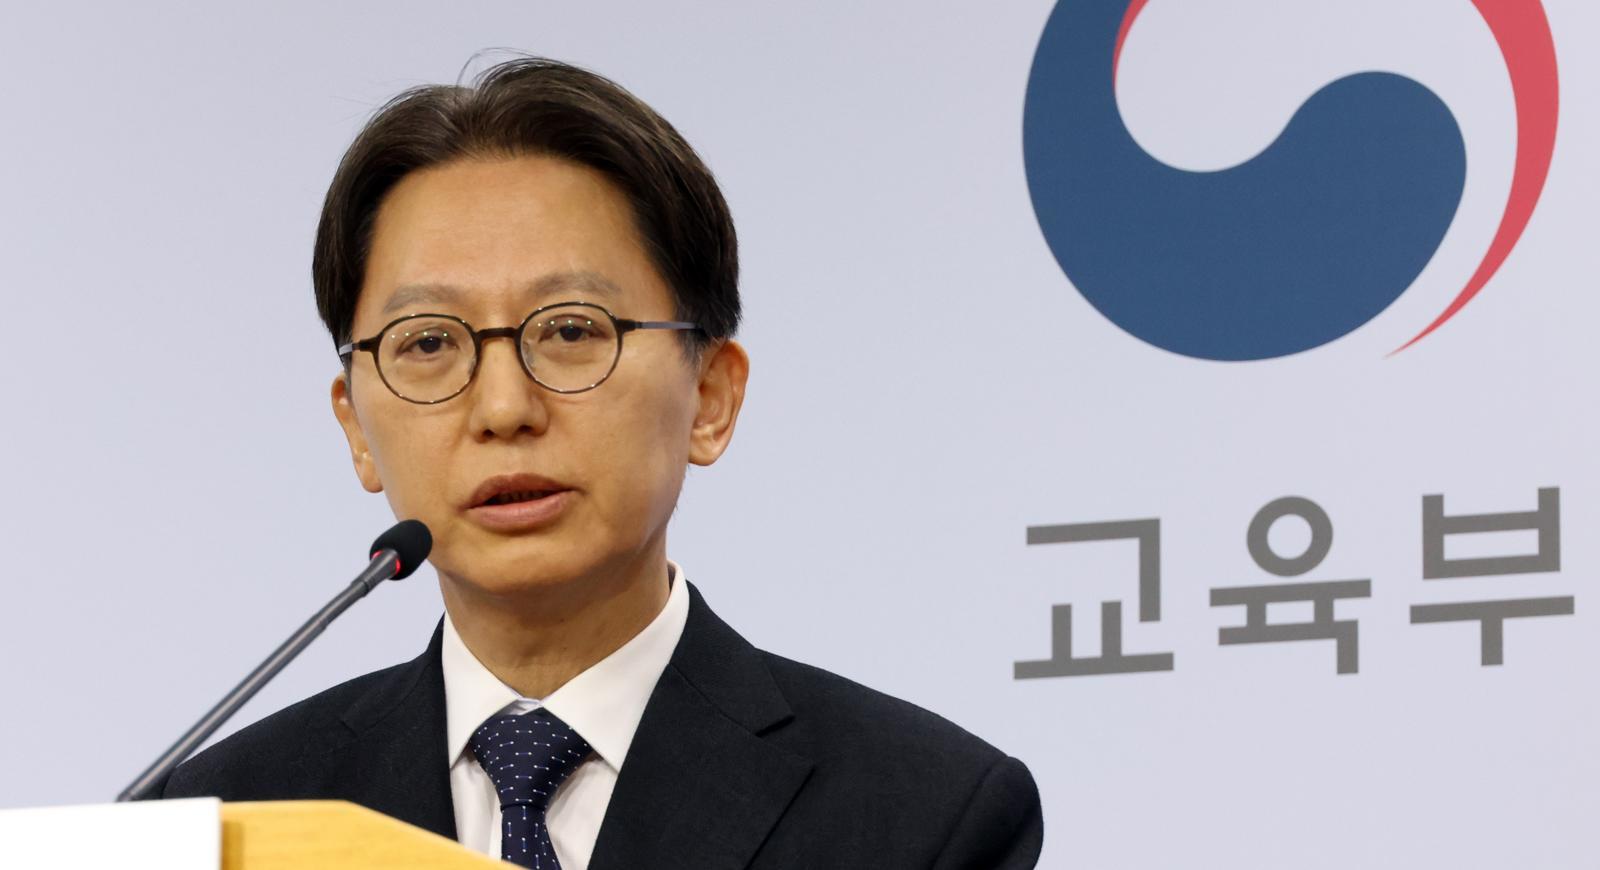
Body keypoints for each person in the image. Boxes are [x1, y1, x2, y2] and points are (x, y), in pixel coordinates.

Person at [159, 56, 1043, 869]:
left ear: (710, 397)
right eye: (427, 342)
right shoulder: (221, 825)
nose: (503, 409)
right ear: (357, 428)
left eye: (572, 330)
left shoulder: (924, 817)